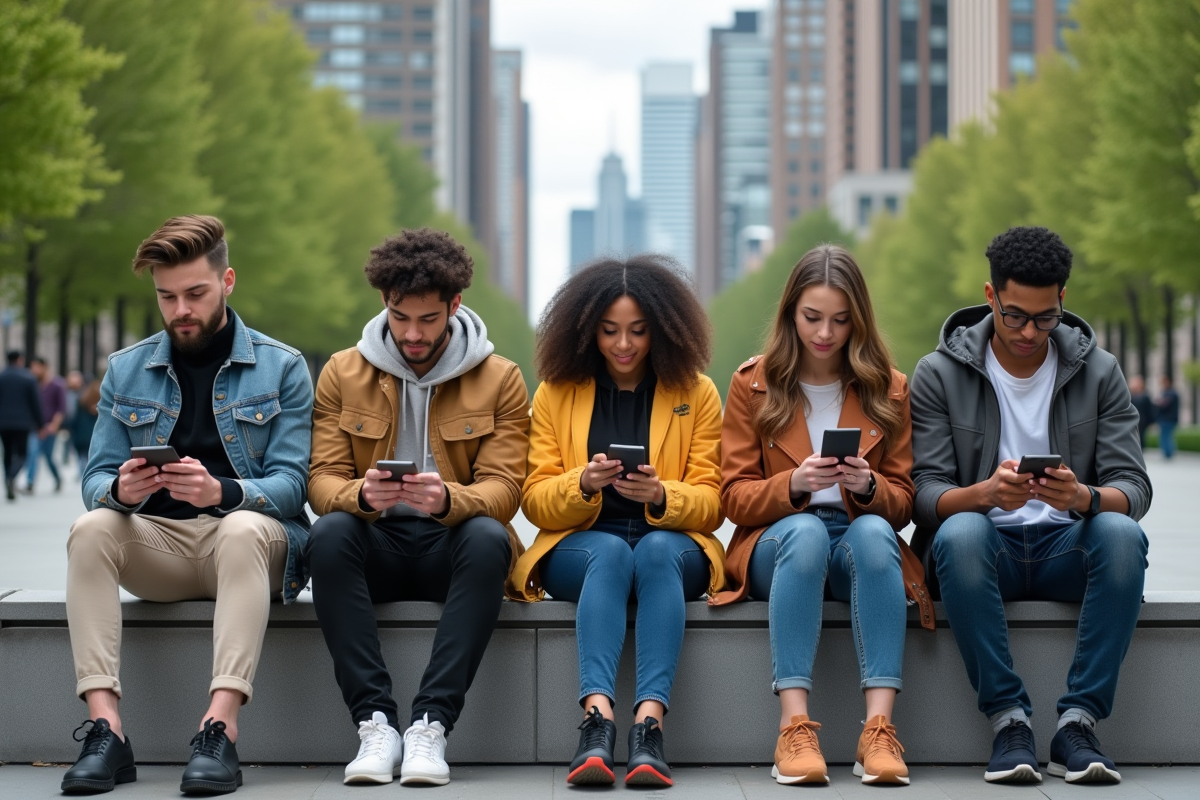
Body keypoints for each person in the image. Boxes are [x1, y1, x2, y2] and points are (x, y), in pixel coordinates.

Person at [62, 215, 314, 795]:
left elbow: (293, 485)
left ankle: (219, 729)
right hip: (165, 547)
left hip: (254, 547)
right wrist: (121, 491)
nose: (181, 310)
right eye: (167, 297)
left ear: (227, 281)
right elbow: (95, 476)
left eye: (195, 294)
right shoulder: (127, 368)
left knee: (242, 527)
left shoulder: (283, 366)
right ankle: (107, 731)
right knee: (92, 526)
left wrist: (220, 492)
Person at [910, 226, 1151, 786]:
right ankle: (1008, 720)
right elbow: (923, 496)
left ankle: (1078, 724)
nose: (1028, 332)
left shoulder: (1100, 371)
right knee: (961, 532)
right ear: (990, 296)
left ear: (1063, 301)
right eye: (1015, 315)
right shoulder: (939, 373)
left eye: (1046, 318)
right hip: (980, 556)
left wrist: (1083, 497)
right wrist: (984, 495)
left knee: (1121, 535)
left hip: (1067, 549)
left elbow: (1134, 487)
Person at [306, 228, 529, 788]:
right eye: (400, 316)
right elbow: (321, 479)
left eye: (427, 319)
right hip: (375, 543)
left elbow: (506, 489)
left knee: (487, 536)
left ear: (455, 306)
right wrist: (360, 495)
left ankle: (430, 725)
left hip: (449, 548)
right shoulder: (342, 371)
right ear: (385, 303)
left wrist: (450, 499)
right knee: (329, 533)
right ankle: (375, 724)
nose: (411, 333)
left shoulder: (500, 378)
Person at [712, 244, 930, 787]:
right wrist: (795, 484)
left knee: (877, 530)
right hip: (775, 543)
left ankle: (878, 729)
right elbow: (731, 497)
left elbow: (904, 500)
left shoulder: (889, 388)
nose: (825, 333)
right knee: (807, 531)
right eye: (812, 318)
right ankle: (794, 727)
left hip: (858, 539)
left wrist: (868, 485)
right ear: (790, 314)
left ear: (858, 320)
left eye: (840, 320)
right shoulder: (753, 384)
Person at [508, 255, 726, 789]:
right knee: (609, 553)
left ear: (664, 330)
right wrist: (583, 483)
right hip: (583, 546)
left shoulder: (696, 393)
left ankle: (648, 725)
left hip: (669, 546)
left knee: (650, 552)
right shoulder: (556, 392)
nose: (623, 344)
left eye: (637, 331)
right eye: (609, 331)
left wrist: (660, 496)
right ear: (585, 330)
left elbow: (713, 501)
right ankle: (597, 720)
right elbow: (534, 499)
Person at [0, 350, 43, 501]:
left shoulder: (2, 376)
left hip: (3, 423)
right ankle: (12, 477)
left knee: (7, 453)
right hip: (23, 423)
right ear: (19, 359)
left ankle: (7, 479)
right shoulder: (28, 378)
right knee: (22, 454)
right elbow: (35, 403)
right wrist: (40, 423)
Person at [24, 355, 67, 493]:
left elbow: (61, 408)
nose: (34, 370)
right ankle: (30, 483)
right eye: (32, 367)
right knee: (33, 453)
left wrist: (54, 425)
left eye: (37, 367)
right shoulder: (32, 384)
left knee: (48, 457)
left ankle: (58, 478)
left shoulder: (57, 384)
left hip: (50, 427)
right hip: (35, 427)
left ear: (44, 367)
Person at [69, 374, 101, 471]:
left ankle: (83, 476)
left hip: (81, 436)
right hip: (94, 436)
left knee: (82, 459)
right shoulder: (101, 404)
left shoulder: (81, 401)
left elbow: (75, 420)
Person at [1156, 374, 1180, 459]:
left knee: (1166, 436)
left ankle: (1168, 454)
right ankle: (1168, 453)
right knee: (1167, 436)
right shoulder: (1168, 393)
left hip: (1168, 419)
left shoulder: (1171, 393)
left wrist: (1158, 401)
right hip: (1167, 418)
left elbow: (1163, 404)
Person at [1127, 376, 1155, 450]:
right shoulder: (1130, 396)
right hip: (1132, 420)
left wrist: (1151, 422)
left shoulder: (1145, 396)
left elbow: (1149, 410)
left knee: (1141, 437)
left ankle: (1140, 450)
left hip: (1143, 421)